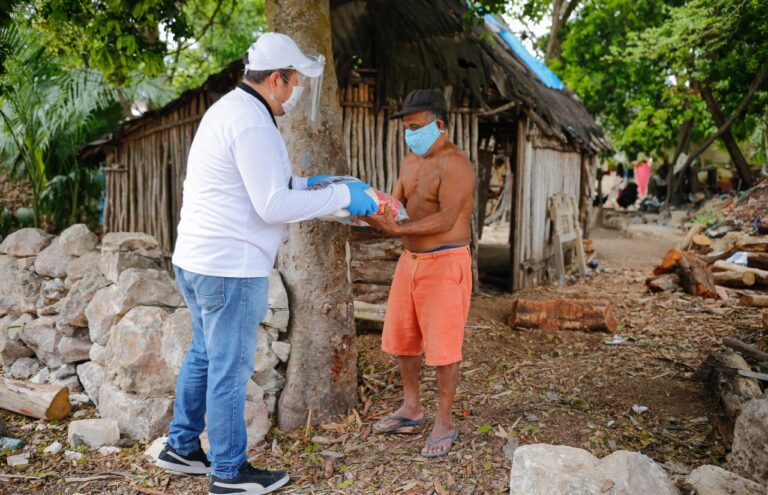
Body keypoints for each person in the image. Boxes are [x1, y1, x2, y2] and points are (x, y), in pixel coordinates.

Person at [154, 32, 377, 495]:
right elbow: (271, 205)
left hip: (199, 259)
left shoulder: (235, 109)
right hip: (229, 267)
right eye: (294, 82)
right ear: (275, 79)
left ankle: (181, 446)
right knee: (229, 367)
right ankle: (229, 472)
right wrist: (338, 196)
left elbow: (265, 184)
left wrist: (312, 183)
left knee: (204, 354)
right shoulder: (253, 122)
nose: (297, 92)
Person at [364, 89, 475, 458]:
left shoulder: (456, 164)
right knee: (403, 339)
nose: (410, 134)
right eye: (406, 127)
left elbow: (445, 219)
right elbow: (395, 204)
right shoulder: (410, 160)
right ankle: (412, 407)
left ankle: (444, 421)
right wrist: (365, 208)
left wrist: (398, 230)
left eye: (416, 126)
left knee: (443, 348)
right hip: (410, 263)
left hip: (445, 264)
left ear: (438, 124)